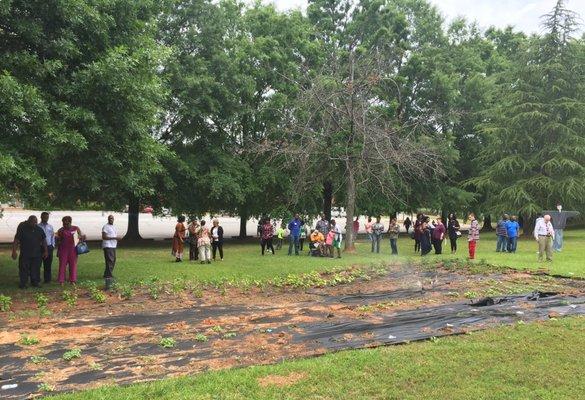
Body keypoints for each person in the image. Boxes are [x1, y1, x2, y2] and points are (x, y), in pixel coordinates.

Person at [12, 216, 48, 288]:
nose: (34, 224)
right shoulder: (22, 229)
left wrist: (46, 251)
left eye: (35, 222)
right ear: (28, 222)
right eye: (32, 222)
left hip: (37, 254)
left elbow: (44, 240)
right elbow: (16, 240)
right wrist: (14, 251)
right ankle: (23, 283)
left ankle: (35, 282)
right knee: (23, 269)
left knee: (36, 269)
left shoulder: (39, 229)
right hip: (25, 253)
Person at [56, 216, 84, 285]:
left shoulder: (76, 228)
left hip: (73, 249)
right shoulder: (61, 230)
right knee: (62, 265)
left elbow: (81, 237)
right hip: (63, 249)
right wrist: (57, 238)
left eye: (66, 223)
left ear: (70, 222)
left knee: (73, 265)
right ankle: (61, 280)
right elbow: (58, 239)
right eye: (63, 223)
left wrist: (81, 237)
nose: (65, 225)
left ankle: (72, 280)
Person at [102, 215, 120, 291]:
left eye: (112, 218)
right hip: (107, 245)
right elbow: (104, 237)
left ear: (114, 219)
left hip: (113, 245)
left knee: (113, 260)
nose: (111, 219)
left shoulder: (114, 227)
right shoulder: (105, 227)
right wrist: (115, 238)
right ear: (108, 219)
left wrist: (116, 239)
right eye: (110, 218)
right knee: (110, 260)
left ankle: (106, 274)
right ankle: (109, 275)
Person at [38, 212, 55, 283]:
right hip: (39, 247)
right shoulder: (37, 226)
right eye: (44, 217)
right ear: (41, 217)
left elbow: (52, 236)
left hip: (49, 246)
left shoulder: (50, 226)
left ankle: (47, 280)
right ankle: (37, 279)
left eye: (47, 217)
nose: (46, 219)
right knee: (38, 264)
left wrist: (53, 245)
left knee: (48, 264)